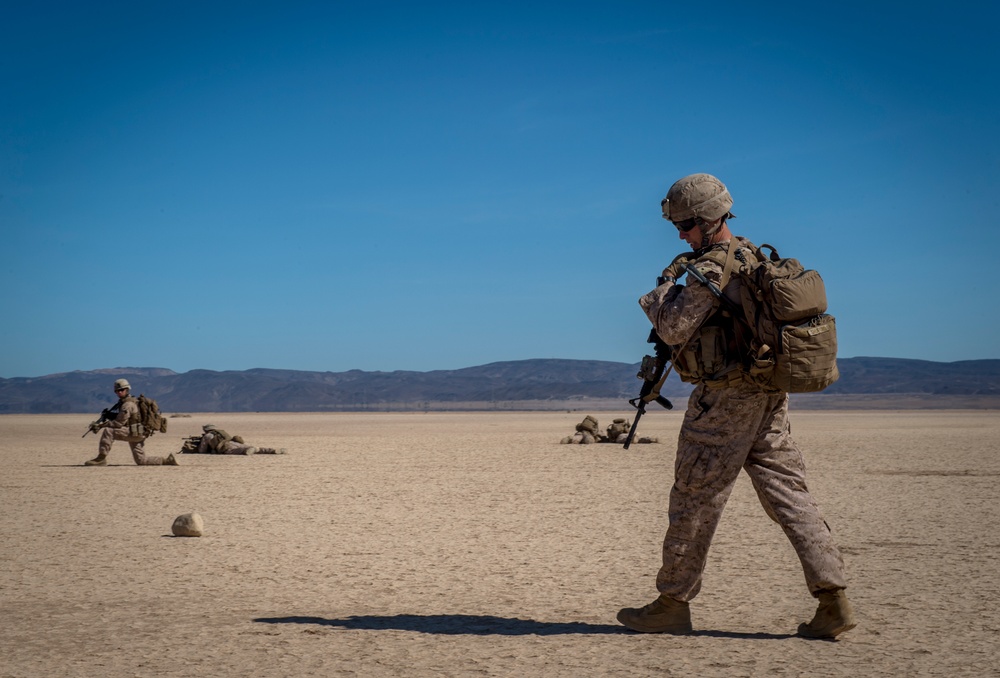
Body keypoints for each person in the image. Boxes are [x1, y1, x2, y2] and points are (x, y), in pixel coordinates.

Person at [616, 173, 855, 639]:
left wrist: (663, 287)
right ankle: (833, 600)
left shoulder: (712, 270)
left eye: (685, 224)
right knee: (790, 495)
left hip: (725, 399)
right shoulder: (753, 256)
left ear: (709, 219)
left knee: (695, 496)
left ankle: (672, 603)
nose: (681, 234)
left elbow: (672, 326)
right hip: (768, 396)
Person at [84, 378, 178, 466]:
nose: (119, 392)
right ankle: (167, 460)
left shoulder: (127, 404)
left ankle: (101, 459)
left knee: (109, 431)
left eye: (122, 390)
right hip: (139, 432)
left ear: (127, 390)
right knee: (141, 461)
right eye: (117, 391)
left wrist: (101, 425)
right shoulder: (128, 402)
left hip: (135, 432)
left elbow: (118, 423)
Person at [181, 424, 286, 455]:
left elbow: (202, 450)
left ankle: (248, 451)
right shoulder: (221, 432)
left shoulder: (208, 436)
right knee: (250, 447)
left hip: (226, 447)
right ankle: (272, 450)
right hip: (233, 442)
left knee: (243, 451)